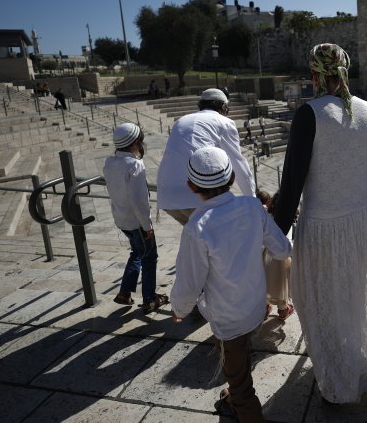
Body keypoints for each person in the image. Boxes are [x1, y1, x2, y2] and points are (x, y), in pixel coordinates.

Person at [273, 42, 367, 404]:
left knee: (321, 298)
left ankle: (337, 379)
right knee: (355, 292)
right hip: (364, 219)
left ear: (314, 75)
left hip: (325, 227)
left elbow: (291, 183)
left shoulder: (309, 114)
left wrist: (274, 234)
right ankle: (354, 359)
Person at [171, 147, 292, 423]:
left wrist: (179, 309)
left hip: (228, 319)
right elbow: (283, 250)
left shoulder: (197, 227)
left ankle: (241, 405)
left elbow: (189, 283)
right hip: (255, 308)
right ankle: (234, 392)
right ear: (233, 177)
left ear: (191, 186)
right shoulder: (252, 207)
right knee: (241, 355)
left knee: (239, 383)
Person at [157, 88, 256, 225]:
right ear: (223, 106)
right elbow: (239, 164)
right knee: (224, 239)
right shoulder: (224, 122)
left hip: (167, 196)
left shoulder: (181, 121)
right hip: (196, 195)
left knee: (201, 241)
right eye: (227, 109)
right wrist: (253, 201)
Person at [103, 123, 169, 313]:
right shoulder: (135, 165)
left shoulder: (110, 162)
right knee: (149, 257)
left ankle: (125, 292)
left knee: (137, 252)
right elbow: (139, 201)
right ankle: (149, 298)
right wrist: (148, 226)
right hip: (136, 222)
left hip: (122, 220)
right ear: (134, 143)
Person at [256, 190, 294, 321]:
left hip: (263, 256)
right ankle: (283, 310)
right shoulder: (287, 222)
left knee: (265, 283)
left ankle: (265, 308)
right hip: (279, 259)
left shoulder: (266, 216)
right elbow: (287, 245)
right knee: (281, 284)